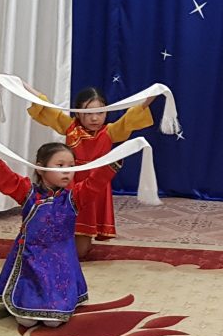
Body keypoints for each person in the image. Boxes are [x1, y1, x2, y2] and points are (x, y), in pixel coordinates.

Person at [0, 130, 120, 327]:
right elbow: (5, 177)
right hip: (30, 259)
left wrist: (115, 160)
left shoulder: (74, 197)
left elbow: (95, 182)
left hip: (60, 264)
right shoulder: (28, 192)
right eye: (60, 165)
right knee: (25, 321)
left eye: (71, 166)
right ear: (40, 168)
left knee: (52, 323)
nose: (67, 171)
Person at [25, 84, 154, 258]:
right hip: (72, 183)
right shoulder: (70, 127)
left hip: (95, 185)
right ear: (78, 113)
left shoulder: (110, 131)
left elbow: (132, 116)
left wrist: (152, 96)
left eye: (100, 112)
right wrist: (26, 88)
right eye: (88, 113)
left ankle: (81, 241)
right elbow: (47, 108)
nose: (94, 118)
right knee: (61, 233)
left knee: (80, 251)